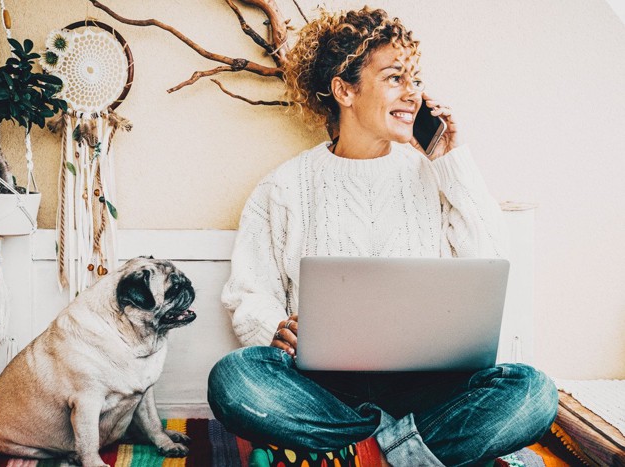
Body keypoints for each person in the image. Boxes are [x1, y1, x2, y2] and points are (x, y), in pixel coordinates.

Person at [208, 7, 558, 466]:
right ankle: (406, 451)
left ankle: (363, 455)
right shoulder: (285, 186)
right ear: (345, 89)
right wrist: (274, 329)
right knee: (234, 380)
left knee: (534, 392)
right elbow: (249, 294)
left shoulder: (436, 174)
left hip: (426, 388)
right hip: (323, 390)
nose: (413, 94)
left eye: (416, 80)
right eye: (396, 78)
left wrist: (452, 160)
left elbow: (491, 260)